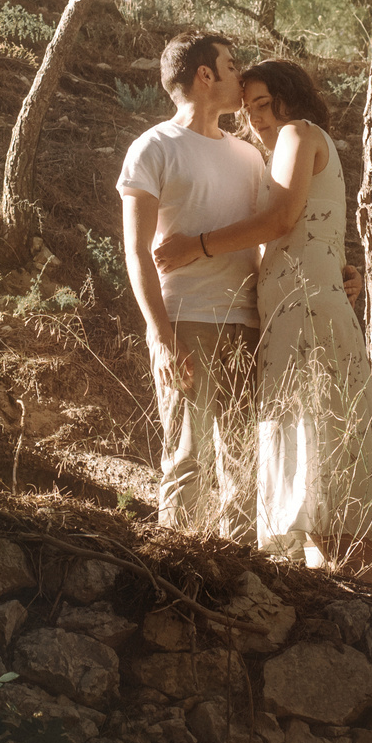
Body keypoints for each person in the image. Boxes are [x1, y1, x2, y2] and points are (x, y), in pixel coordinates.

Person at [155, 59, 372, 573]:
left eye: (264, 104)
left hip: (304, 312)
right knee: (323, 444)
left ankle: (348, 589)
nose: (258, 118)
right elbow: (307, 229)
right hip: (301, 306)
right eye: (249, 110)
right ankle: (342, 587)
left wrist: (194, 247)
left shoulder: (297, 133)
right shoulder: (290, 148)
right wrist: (339, 267)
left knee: (317, 442)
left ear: (292, 97)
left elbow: (280, 220)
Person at [118, 32, 269, 538]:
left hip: (248, 325)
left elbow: (267, 237)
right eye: (232, 64)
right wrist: (161, 336)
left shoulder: (249, 156)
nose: (240, 75)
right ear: (205, 75)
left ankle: (239, 581)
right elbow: (136, 251)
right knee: (188, 459)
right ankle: (181, 577)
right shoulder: (154, 148)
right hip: (186, 322)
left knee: (243, 466)